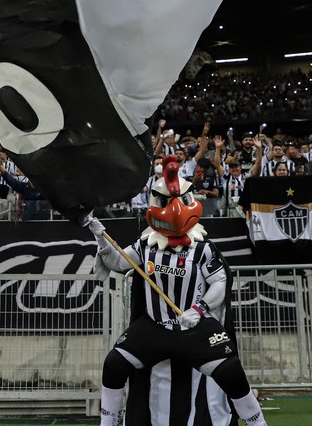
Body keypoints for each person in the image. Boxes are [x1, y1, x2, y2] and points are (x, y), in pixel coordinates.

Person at [85, 155, 267, 426]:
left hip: (194, 327)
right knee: (114, 364)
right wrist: (100, 238)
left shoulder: (203, 248)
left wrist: (200, 309)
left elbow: (220, 282)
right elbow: (118, 263)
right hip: (154, 327)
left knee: (231, 371)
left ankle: (257, 422)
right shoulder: (145, 245)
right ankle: (108, 422)